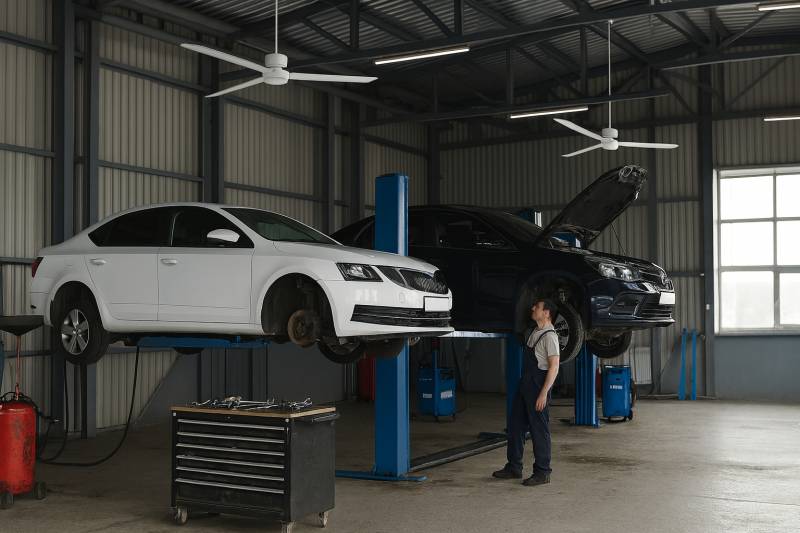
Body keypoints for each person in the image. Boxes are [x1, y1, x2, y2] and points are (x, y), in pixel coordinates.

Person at [492, 298, 560, 486]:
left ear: (546, 313)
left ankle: (543, 472)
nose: (533, 308)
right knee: (515, 426)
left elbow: (554, 367)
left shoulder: (550, 337)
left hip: (538, 387)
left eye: (537, 307)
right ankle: (514, 467)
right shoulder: (535, 332)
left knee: (539, 430)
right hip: (526, 385)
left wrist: (543, 393)